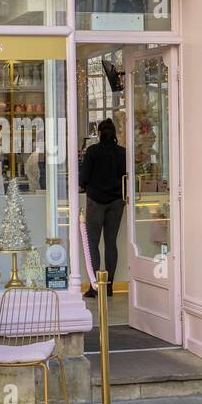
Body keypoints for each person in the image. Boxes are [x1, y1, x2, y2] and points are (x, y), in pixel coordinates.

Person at [80, 118, 126, 297]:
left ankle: (95, 286)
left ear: (99, 133)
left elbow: (83, 178)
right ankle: (109, 286)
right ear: (114, 134)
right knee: (111, 243)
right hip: (116, 201)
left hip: (96, 200)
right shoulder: (122, 152)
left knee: (92, 242)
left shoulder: (93, 151)